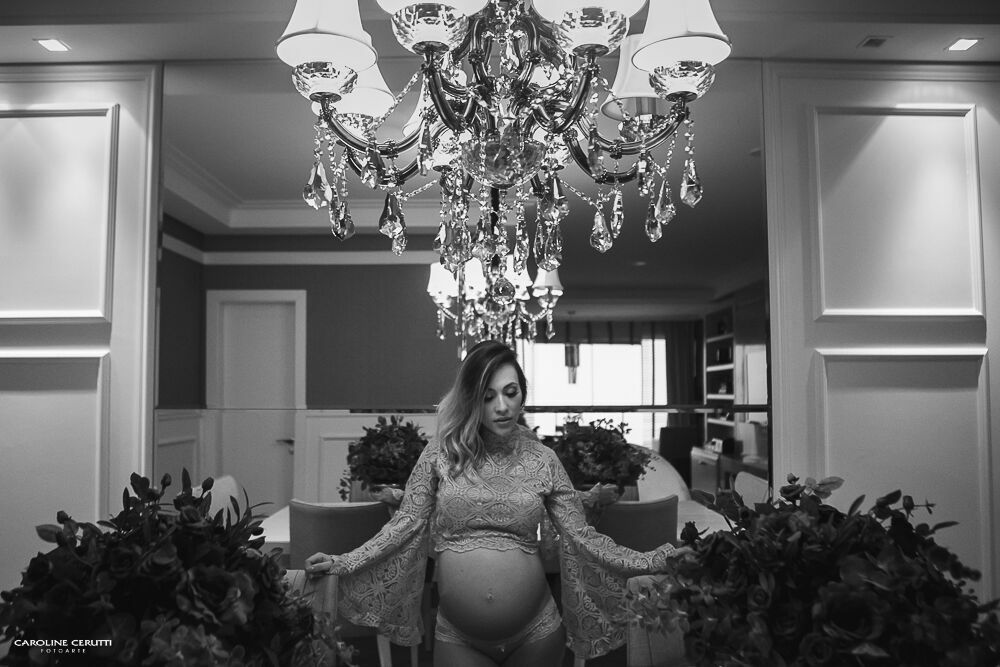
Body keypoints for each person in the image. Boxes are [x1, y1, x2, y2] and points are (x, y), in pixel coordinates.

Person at [305, 341, 683, 665]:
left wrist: (655, 560)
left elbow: (582, 537)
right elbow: (404, 524)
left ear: (523, 394)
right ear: (471, 399)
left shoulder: (543, 460)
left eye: (510, 392)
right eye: (488, 396)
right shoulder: (440, 454)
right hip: (458, 636)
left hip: (537, 632)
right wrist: (343, 562)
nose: (502, 406)